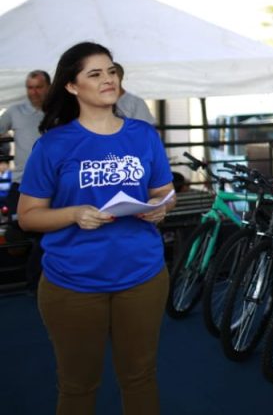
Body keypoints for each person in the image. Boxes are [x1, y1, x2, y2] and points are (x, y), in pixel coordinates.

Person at [17, 41, 175, 414]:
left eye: (111, 71)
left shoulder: (142, 134)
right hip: (73, 282)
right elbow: (28, 215)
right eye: (95, 74)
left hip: (143, 275)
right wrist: (73, 214)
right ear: (72, 86)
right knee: (78, 386)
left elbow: (165, 192)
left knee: (140, 377)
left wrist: (159, 209)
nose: (108, 79)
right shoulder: (54, 144)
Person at [0, 70, 50, 180]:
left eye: (39, 87)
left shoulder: (60, 112)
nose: (34, 92)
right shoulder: (14, 111)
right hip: (22, 181)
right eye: (30, 88)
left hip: (54, 181)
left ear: (49, 87)